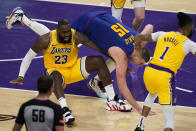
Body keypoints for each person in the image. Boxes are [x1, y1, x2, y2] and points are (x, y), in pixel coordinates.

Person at [7, 7, 132, 125]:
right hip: (56, 72)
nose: (67, 35)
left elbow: (95, 46)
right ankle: (64, 110)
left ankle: (112, 101)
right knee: (55, 76)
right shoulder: (45, 40)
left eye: (68, 32)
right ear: (57, 31)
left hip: (73, 68)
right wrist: (21, 76)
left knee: (98, 60)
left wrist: (117, 59)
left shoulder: (75, 35)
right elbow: (29, 56)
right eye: (64, 33)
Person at [134, 12, 195, 131]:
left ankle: (140, 125)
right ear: (188, 28)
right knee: (169, 121)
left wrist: (138, 50)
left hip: (149, 72)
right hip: (165, 77)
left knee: (152, 94)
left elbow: (139, 37)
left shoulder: (162, 34)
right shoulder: (188, 43)